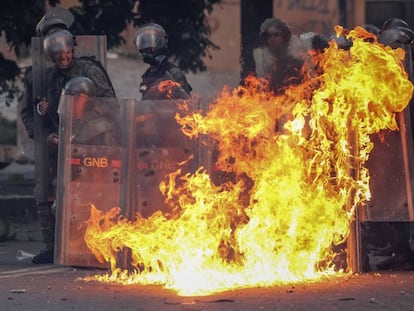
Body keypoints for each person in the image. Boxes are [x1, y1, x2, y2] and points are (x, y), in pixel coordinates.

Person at [31, 28, 116, 264]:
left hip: (94, 140)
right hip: (67, 141)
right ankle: (60, 246)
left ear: (73, 50)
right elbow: (56, 115)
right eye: (59, 57)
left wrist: (92, 130)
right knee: (59, 194)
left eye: (68, 54)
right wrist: (52, 130)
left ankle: (101, 247)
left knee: (97, 195)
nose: (65, 59)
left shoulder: (89, 70)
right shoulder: (52, 78)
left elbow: (110, 106)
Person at [135, 23, 192, 100]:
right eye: (143, 44)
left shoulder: (173, 73)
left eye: (151, 45)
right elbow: (145, 103)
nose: (146, 50)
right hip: (150, 112)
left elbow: (187, 103)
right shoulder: (146, 75)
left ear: (161, 44)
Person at [252, 17, 303, 95]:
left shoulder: (295, 59)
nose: (272, 38)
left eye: (276, 35)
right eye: (269, 35)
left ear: (284, 37)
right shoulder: (260, 57)